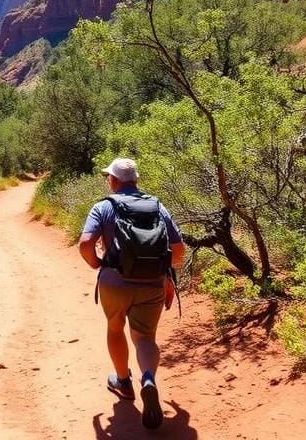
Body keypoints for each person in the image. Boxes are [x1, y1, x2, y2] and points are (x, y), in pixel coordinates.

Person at [78, 158, 185, 431]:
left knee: (115, 329)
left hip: (114, 281)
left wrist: (97, 264)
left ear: (113, 181)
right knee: (145, 337)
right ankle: (147, 377)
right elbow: (178, 248)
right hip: (151, 284)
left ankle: (123, 382)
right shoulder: (158, 206)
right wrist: (166, 276)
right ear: (136, 180)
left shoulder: (103, 206)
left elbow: (86, 243)